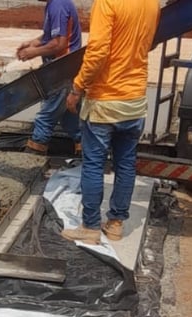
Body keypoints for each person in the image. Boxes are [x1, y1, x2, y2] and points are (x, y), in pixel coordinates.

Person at [61, 0, 160, 245]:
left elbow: (98, 52)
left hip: (105, 101)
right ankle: (115, 224)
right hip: (135, 98)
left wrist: (77, 87)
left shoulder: (107, 3)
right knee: (125, 164)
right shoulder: (152, 4)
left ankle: (91, 227)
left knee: (94, 164)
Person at [16, 0, 82, 156]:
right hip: (65, 70)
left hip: (60, 71)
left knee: (46, 116)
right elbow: (50, 35)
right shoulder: (56, 4)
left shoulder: (58, 5)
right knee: (70, 119)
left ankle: (33, 154)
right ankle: (87, 154)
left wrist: (33, 53)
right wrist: (32, 43)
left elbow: (59, 43)